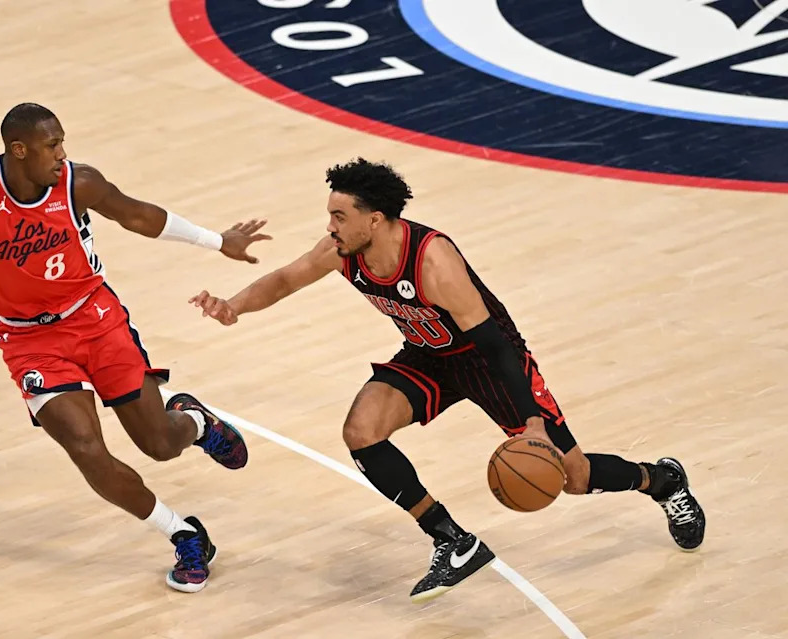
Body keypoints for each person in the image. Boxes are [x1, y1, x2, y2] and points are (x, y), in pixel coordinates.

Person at [188, 158, 706, 602]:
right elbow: (285, 279)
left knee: (573, 477)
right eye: (330, 215)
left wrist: (531, 422)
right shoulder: (341, 251)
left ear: (375, 219)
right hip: (428, 356)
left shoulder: (433, 260)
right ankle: (452, 539)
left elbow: (496, 346)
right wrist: (233, 306)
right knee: (361, 431)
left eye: (339, 216)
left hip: (487, 361)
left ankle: (661, 481)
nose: (330, 226)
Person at [0, 103, 270, 593]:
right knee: (85, 450)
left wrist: (217, 240)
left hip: (95, 320)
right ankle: (183, 533)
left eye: (62, 142)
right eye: (52, 145)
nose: (62, 153)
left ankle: (195, 422)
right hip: (30, 340)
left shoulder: (79, 183)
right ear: (19, 150)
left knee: (160, 445)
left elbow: (138, 215)